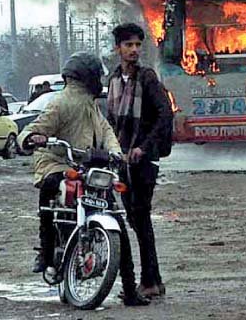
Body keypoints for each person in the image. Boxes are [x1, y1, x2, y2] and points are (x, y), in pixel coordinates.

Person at [18, 52, 149, 307]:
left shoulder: (91, 106)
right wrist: (32, 138)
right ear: (87, 76)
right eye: (96, 75)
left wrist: (115, 153)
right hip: (57, 163)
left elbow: (107, 132)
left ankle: (130, 289)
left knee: (116, 218)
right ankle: (45, 252)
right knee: (50, 188)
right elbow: (34, 129)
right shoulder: (61, 103)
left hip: (87, 167)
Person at [108, 23, 173, 299]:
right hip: (122, 159)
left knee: (141, 216)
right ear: (118, 48)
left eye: (137, 45)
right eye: (128, 45)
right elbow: (110, 119)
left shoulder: (147, 78)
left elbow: (165, 114)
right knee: (134, 219)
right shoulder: (113, 80)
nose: (134, 50)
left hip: (144, 160)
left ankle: (148, 280)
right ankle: (154, 279)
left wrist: (144, 148)